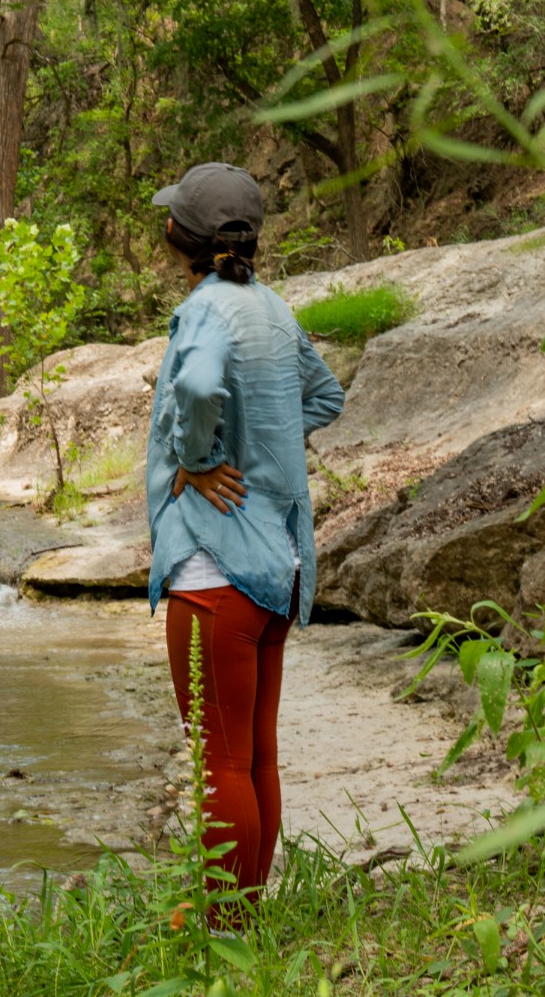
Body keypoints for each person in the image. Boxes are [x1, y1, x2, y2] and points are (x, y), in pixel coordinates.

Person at [146, 162, 344, 907]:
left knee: (217, 764)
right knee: (254, 756)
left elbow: (197, 388)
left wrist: (200, 460)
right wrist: (265, 446)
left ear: (181, 237)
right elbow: (325, 395)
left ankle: (226, 936)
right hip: (279, 565)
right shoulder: (270, 307)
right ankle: (246, 926)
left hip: (215, 564)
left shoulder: (205, 311)